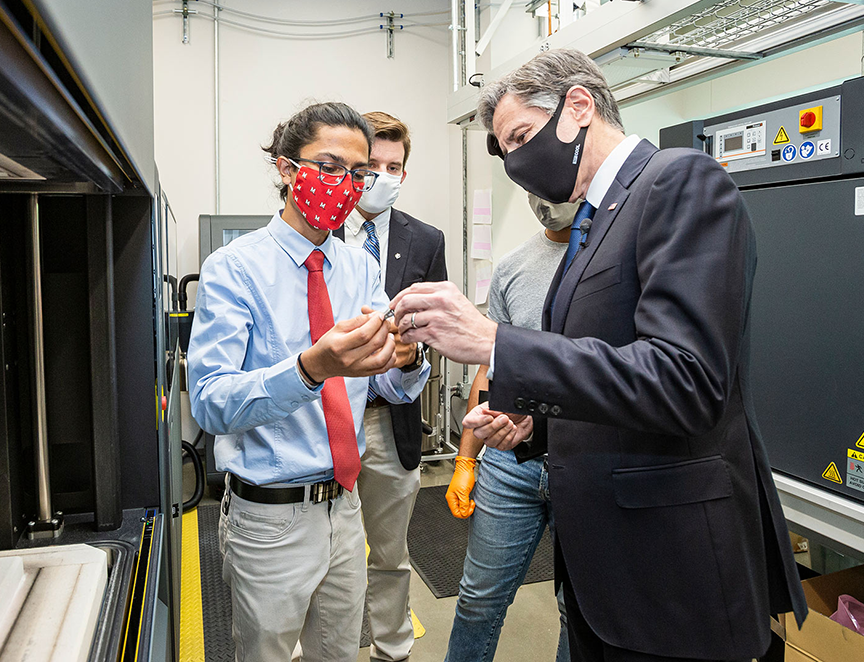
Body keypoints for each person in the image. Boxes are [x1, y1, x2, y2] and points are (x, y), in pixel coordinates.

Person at [390, 48, 808, 662]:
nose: (516, 163)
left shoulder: (679, 183)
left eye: (521, 138)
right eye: (506, 152)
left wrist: (494, 342)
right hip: (602, 570)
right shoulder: (592, 223)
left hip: (670, 573)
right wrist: (533, 423)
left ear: (579, 105)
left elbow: (686, 379)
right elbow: (608, 364)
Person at [187, 101, 430, 662]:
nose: (345, 184)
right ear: (286, 168)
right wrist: (309, 369)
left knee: (338, 653)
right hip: (271, 519)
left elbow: (383, 389)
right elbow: (210, 403)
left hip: (345, 510)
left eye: (359, 172)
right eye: (328, 166)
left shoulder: (358, 267)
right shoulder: (235, 268)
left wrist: (407, 360)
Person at [332, 110, 447, 662]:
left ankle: (392, 649)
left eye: (393, 167)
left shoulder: (425, 240)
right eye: (371, 164)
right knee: (326, 554)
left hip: (390, 419)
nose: (381, 175)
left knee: (390, 553)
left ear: (405, 172)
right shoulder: (318, 229)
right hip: (328, 418)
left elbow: (436, 327)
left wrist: (414, 349)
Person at [443, 193, 576, 662]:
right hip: (509, 464)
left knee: (576, 610)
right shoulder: (514, 267)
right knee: (478, 599)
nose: (545, 197)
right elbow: (488, 368)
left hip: (581, 462)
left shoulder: (610, 260)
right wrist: (466, 456)